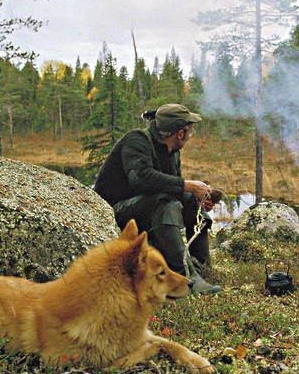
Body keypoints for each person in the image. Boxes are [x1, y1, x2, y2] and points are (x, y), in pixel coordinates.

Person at [93, 103, 222, 295]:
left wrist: (197, 199)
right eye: (190, 131)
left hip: (143, 211)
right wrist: (188, 185)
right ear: (180, 133)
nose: (191, 135)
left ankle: (202, 267)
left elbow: (174, 188)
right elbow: (140, 178)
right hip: (112, 213)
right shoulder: (136, 141)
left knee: (192, 204)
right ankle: (186, 279)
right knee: (164, 202)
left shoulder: (172, 152)